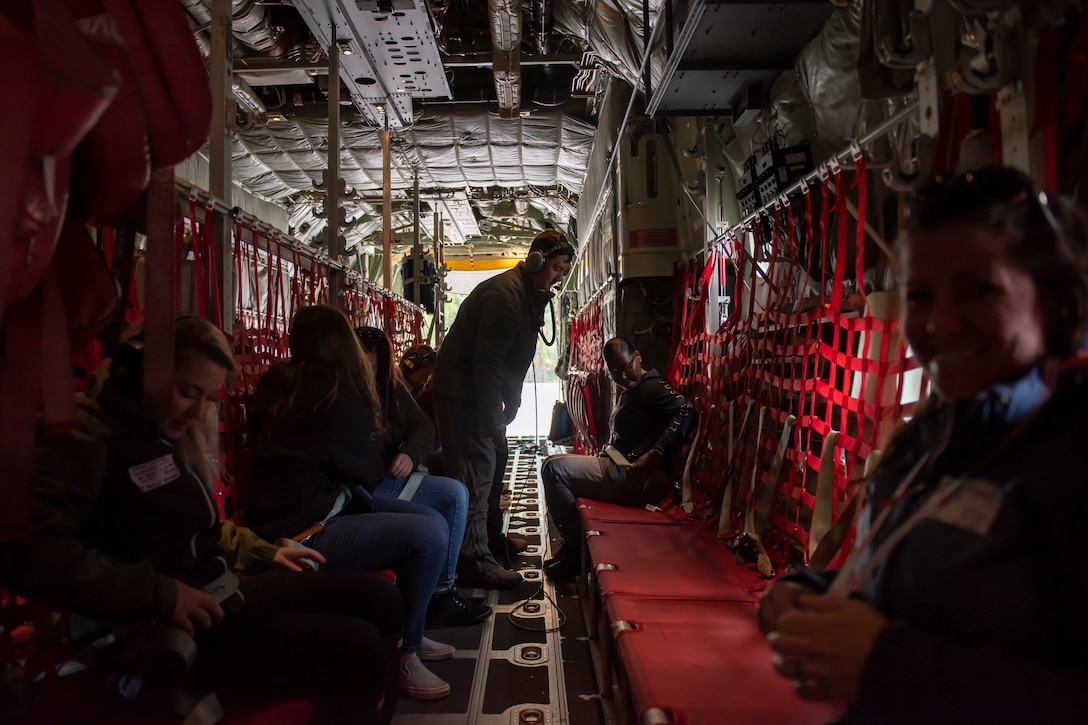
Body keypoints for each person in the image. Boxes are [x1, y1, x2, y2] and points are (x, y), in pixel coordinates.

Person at [758, 166, 1088, 723]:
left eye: (979, 290)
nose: (943, 324)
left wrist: (887, 665)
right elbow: (914, 596)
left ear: (1051, 300)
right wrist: (807, 593)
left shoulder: (1073, 455)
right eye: (920, 297)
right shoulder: (933, 439)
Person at [0, 315, 401, 724]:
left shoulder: (159, 431)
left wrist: (263, 550)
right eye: (186, 392)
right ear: (139, 372)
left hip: (212, 592)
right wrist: (161, 594)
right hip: (150, 630)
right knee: (360, 648)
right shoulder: (79, 438)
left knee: (380, 600)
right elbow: (27, 551)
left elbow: (186, 527)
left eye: (207, 398)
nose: (196, 411)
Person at [245, 306, 455, 701]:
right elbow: (364, 471)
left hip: (290, 515)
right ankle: (407, 651)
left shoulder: (281, 381)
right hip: (308, 531)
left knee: (427, 521)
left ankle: (413, 632)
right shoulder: (333, 392)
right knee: (429, 531)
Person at [432, 228, 575, 589]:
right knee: (475, 473)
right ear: (536, 261)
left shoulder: (528, 294)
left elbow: (514, 358)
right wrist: (491, 416)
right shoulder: (505, 298)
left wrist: (513, 400)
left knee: (495, 457)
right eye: (556, 268)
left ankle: (491, 541)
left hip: (478, 390)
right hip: (465, 394)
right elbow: (489, 364)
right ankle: (473, 561)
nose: (559, 277)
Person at [354, 326, 492, 628]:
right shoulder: (342, 395)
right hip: (362, 492)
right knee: (433, 521)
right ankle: (426, 608)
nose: (369, 374)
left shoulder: (389, 386)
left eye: (374, 368)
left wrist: (409, 454)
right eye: (363, 366)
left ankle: (442, 593)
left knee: (456, 492)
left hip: (386, 478)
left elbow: (424, 428)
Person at [540, 337, 695, 580]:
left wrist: (655, 455)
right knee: (551, 464)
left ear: (638, 357)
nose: (623, 376)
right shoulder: (633, 391)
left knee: (554, 470)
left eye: (627, 367)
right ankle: (573, 547)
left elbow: (687, 411)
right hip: (621, 468)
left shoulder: (650, 387)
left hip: (639, 479)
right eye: (615, 371)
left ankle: (575, 549)